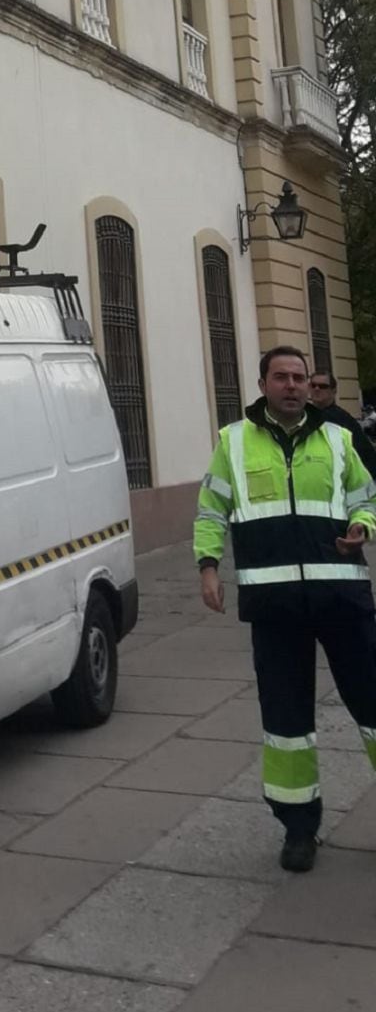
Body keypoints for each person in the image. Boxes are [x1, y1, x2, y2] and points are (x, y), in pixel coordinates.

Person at [194, 344, 376, 873]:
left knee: (372, 706)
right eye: (282, 377)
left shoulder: (340, 439)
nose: (293, 385)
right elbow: (212, 509)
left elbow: (368, 497)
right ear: (263, 384)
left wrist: (365, 526)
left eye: (300, 377)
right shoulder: (233, 442)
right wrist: (208, 566)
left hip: (343, 598)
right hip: (274, 608)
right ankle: (299, 829)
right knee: (286, 722)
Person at [306, 367, 376, 481]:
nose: (317, 389)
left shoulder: (334, 418)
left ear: (333, 391)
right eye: (313, 385)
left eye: (323, 386)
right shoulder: (317, 415)